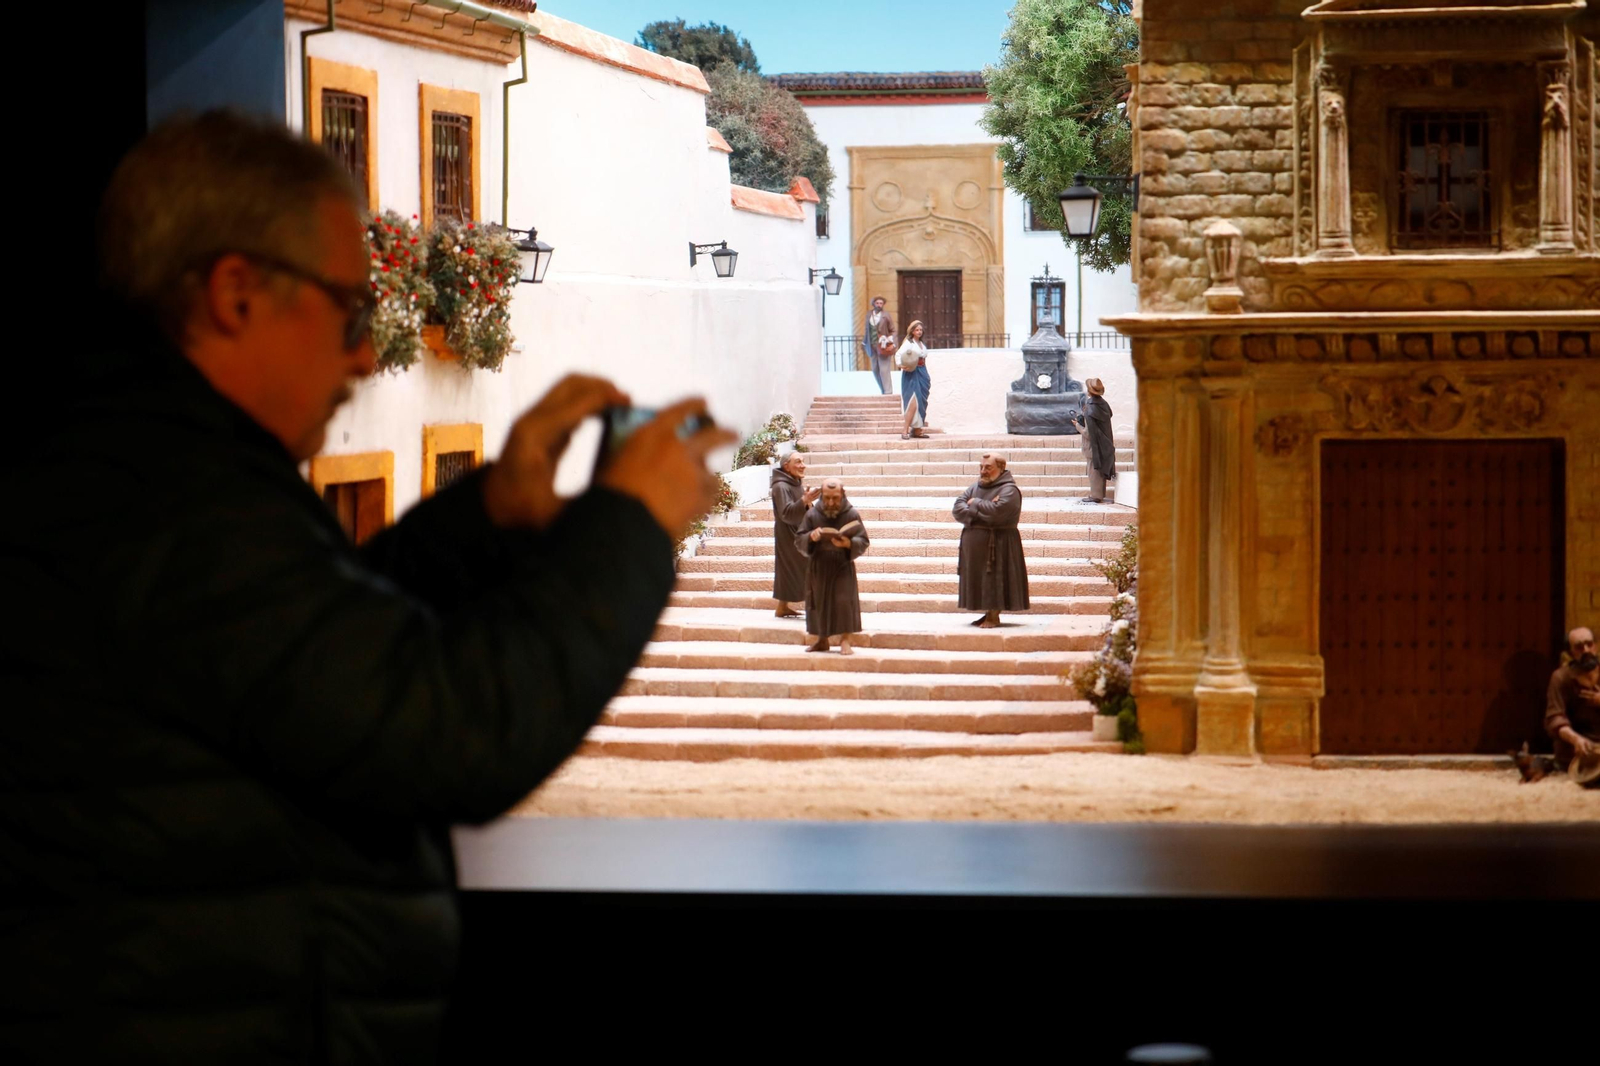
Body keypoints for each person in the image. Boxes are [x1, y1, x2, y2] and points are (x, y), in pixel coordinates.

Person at [0, 110, 736, 1063]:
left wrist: (488, 517)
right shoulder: (173, 500)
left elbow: (306, 666)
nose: (361, 354)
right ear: (236, 294)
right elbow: (456, 734)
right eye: (351, 311)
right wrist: (628, 526)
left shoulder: (144, 466)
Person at [953, 452, 1030, 628]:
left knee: (995, 578)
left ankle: (993, 616)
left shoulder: (1009, 490)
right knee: (982, 580)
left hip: (1000, 544)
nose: (983, 471)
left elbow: (998, 513)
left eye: (988, 467)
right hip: (975, 547)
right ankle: (986, 612)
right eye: (981, 467)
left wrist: (975, 503)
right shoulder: (974, 487)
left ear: (1001, 468)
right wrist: (982, 507)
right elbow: (958, 509)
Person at [796, 478, 869, 655]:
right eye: (827, 498)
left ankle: (846, 640)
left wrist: (848, 544)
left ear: (842, 495)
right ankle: (822, 640)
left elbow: (863, 539)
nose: (830, 502)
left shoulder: (851, 514)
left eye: (835, 498)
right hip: (818, 565)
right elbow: (799, 538)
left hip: (842, 565)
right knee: (819, 602)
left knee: (844, 602)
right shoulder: (812, 515)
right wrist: (810, 538)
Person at [1544, 627, 1600, 782]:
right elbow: (1555, 718)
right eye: (1579, 647)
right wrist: (1575, 739)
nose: (1586, 650)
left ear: (1595, 645)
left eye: (1589, 644)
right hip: (1579, 750)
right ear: (1570, 653)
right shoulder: (1561, 678)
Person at [770, 448, 819, 617]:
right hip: (790, 534)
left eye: (803, 461)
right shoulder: (781, 486)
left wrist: (808, 503)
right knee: (807, 567)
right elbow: (786, 513)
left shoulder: (793, 482)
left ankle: (782, 607)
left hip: (798, 531)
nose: (803, 465)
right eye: (798, 462)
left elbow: (800, 507)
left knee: (790, 569)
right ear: (786, 466)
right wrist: (804, 501)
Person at [1072, 377, 1116, 503]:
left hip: (1093, 446)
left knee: (1094, 470)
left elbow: (1088, 433)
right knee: (1099, 470)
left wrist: (1077, 425)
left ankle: (1096, 495)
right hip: (1105, 442)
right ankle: (1099, 493)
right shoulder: (1104, 404)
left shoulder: (1090, 408)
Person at [896, 319, 932, 440]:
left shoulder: (921, 343)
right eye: (917, 329)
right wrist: (900, 365)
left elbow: (923, 357)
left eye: (921, 330)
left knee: (921, 401)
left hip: (922, 372)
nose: (919, 332)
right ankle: (904, 430)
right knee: (913, 402)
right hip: (912, 373)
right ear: (912, 331)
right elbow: (898, 354)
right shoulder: (909, 342)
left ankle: (917, 430)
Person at [862, 294, 895, 395]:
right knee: (875, 370)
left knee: (884, 370)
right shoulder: (869, 315)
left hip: (883, 346)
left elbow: (893, 330)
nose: (879, 305)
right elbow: (867, 330)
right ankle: (883, 390)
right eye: (877, 303)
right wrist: (864, 342)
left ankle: (888, 392)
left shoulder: (886, 315)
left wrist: (890, 340)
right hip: (871, 346)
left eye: (881, 303)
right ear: (874, 304)